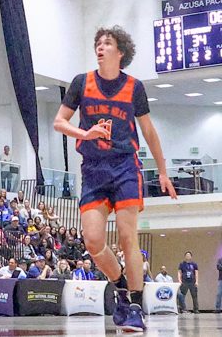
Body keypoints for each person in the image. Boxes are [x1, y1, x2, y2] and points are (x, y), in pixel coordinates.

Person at [54, 26, 177, 332]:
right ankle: (121, 285)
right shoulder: (81, 83)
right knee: (93, 241)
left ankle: (135, 305)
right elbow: (59, 122)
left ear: (120, 52)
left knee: (127, 236)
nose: (100, 46)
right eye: (97, 42)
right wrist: (86, 133)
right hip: (93, 169)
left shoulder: (133, 86)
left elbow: (148, 130)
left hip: (124, 166)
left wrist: (162, 170)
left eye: (107, 43)